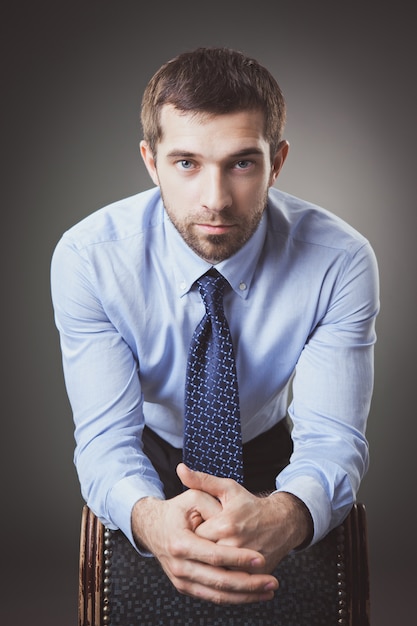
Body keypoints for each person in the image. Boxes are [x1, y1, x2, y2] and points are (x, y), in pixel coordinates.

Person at [50, 47, 379, 605]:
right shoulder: (90, 258)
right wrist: (150, 518)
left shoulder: (339, 260)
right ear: (151, 162)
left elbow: (331, 438)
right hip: (148, 458)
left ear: (277, 161)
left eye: (242, 163)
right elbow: (106, 439)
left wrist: (288, 512)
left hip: (275, 458)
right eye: (186, 163)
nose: (215, 200)